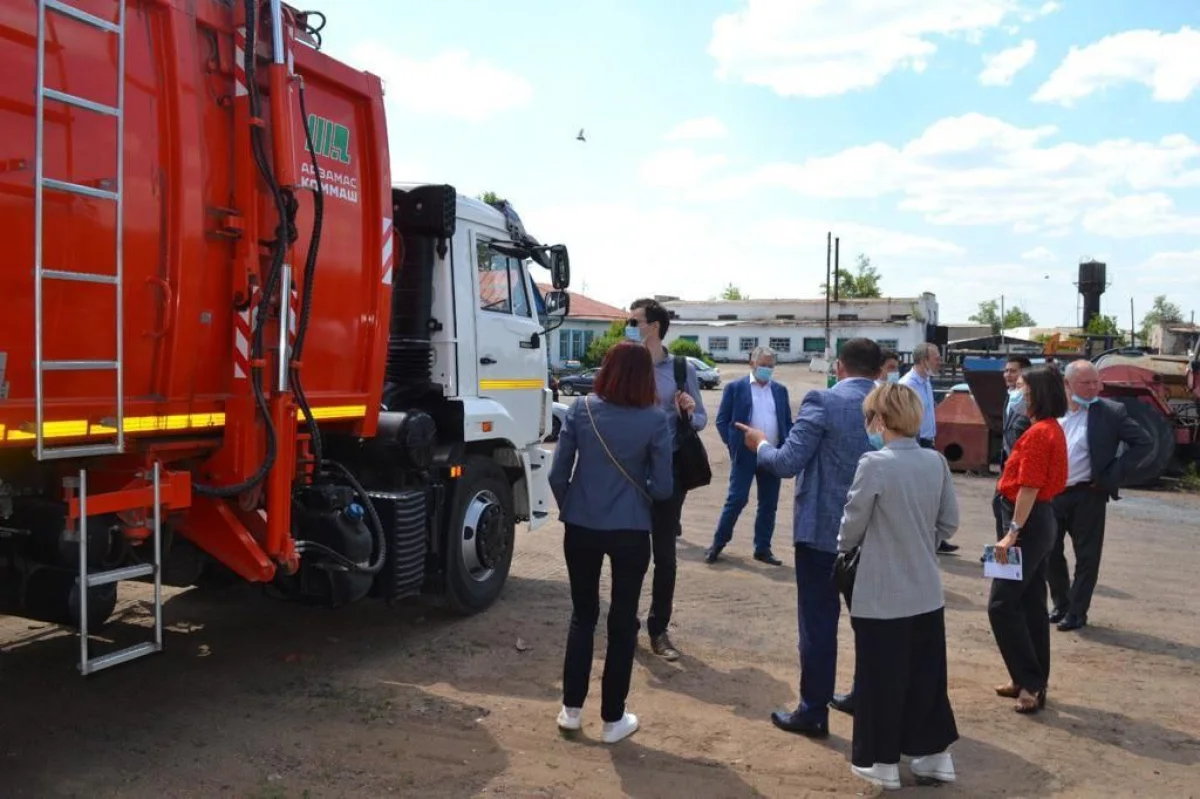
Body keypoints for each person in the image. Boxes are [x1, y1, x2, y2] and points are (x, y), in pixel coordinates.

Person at [735, 337, 881, 738]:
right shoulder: (894, 403)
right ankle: (866, 696)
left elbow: (787, 463)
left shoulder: (823, 401)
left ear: (839, 366)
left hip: (822, 534)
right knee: (869, 623)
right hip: (875, 534)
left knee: (818, 625)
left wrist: (760, 443)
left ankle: (813, 710)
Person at [549, 341, 674, 744]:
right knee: (622, 623)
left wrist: (573, 504)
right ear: (645, 377)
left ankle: (570, 710)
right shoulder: (655, 419)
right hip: (631, 530)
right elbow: (664, 486)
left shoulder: (581, 410)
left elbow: (557, 473)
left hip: (581, 526)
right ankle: (612, 720)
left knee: (582, 615)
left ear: (606, 369)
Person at [837, 383, 961, 791]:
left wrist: (847, 547)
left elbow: (852, 525)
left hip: (882, 591)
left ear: (881, 419)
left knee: (880, 679)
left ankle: (881, 760)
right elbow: (948, 523)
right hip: (927, 589)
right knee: (927, 677)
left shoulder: (874, 463)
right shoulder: (935, 461)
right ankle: (934, 756)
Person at [627, 298, 708, 661]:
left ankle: (659, 630)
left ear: (654, 326)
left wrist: (688, 410)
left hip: (669, 470)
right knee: (628, 550)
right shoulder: (625, 364)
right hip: (629, 470)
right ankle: (626, 623)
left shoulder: (679, 368)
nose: (629, 326)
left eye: (634, 321)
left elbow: (702, 418)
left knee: (664, 554)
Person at [1047, 359, 1153, 631]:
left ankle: (1078, 612)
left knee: (1087, 557)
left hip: (1088, 495)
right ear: (1067, 385)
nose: (1094, 387)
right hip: (1053, 495)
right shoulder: (1052, 411)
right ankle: (1061, 604)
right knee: (1050, 552)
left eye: (1096, 382)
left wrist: (1112, 474)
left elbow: (1143, 442)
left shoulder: (1111, 412)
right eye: (1086, 383)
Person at [989, 366, 1069, 715]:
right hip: (1033, 522)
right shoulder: (1049, 429)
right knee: (1031, 602)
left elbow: (1030, 487)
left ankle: (1030, 681)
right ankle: (1028, 678)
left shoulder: (1039, 434)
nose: (1017, 393)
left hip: (1025, 524)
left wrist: (1012, 532)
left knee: (1002, 605)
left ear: (1037, 394)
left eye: (1022, 388)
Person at [707, 346, 792, 566]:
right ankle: (718, 543)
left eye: (770, 366)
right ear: (752, 364)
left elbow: (787, 423)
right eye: (762, 365)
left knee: (769, 504)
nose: (766, 369)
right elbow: (722, 421)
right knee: (736, 499)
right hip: (745, 455)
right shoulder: (736, 388)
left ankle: (762, 548)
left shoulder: (780, 391)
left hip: (771, 454)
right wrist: (733, 445)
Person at [900, 342, 957, 554]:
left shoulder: (925, 382)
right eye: (936, 358)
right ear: (923, 360)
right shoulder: (908, 385)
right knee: (918, 494)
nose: (939, 362)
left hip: (928, 443)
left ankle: (935, 537)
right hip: (915, 444)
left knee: (932, 494)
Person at [992, 355, 1033, 537]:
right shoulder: (1010, 397)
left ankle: (1008, 549)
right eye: (1006, 371)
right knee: (998, 505)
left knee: (1011, 510)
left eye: (1013, 371)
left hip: (1021, 468)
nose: (1008, 375)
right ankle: (1001, 547)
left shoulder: (1028, 405)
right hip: (1007, 464)